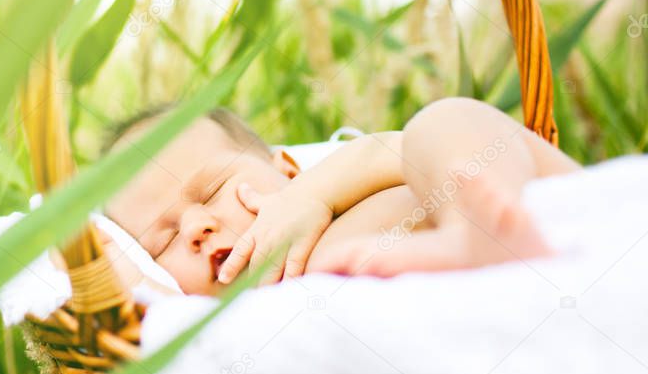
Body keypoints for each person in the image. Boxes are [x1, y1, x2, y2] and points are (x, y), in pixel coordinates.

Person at [102, 97, 580, 296]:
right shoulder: (227, 315)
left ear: (285, 168)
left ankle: (475, 227)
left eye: (213, 190)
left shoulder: (338, 190)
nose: (193, 228)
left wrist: (317, 192)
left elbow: (391, 150)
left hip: (523, 206)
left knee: (439, 123)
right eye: (159, 241)